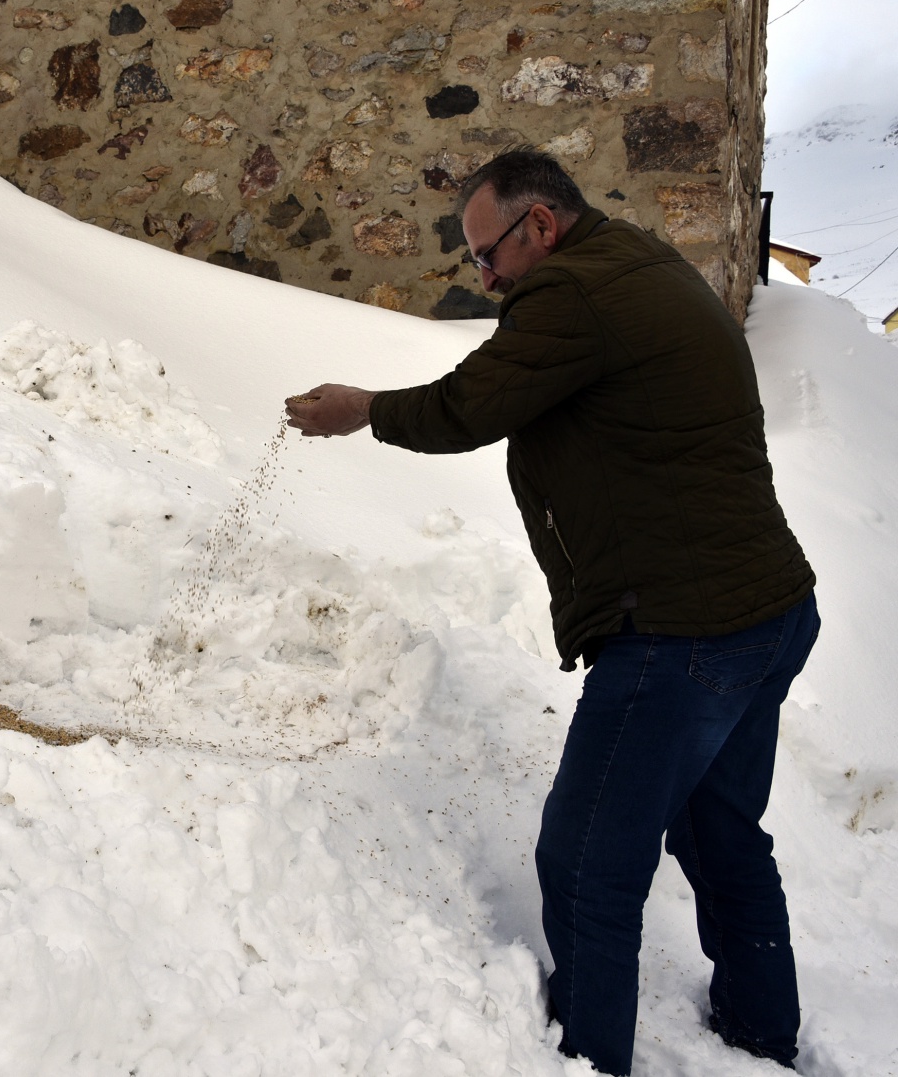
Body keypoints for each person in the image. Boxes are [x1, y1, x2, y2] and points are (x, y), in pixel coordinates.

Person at [285, 148, 817, 1075]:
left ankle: (591, 1057)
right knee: (719, 828)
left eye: (490, 256)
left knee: (586, 865)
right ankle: (762, 1031)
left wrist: (363, 407)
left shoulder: (576, 294)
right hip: (766, 608)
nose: (485, 279)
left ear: (541, 225)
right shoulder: (637, 258)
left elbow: (469, 405)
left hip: (682, 631)